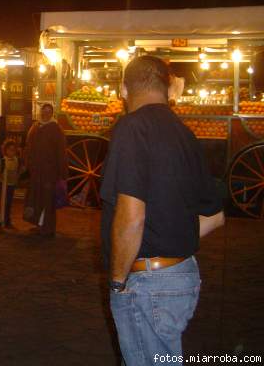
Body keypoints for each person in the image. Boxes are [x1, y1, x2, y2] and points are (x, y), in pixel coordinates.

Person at [100, 55, 225, 364]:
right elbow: (216, 214)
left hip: (147, 282)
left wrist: (118, 282)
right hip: (182, 276)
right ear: (168, 89)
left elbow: (131, 215)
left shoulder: (132, 128)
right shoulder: (185, 134)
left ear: (124, 90)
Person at [23, 102, 68, 237]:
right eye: (44, 111)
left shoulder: (56, 129)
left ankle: (47, 227)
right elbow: (28, 147)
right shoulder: (35, 127)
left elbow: (61, 151)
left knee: (48, 199)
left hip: (50, 172)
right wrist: (28, 164)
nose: (46, 113)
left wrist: (62, 172)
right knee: (36, 197)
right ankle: (38, 224)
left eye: (49, 111)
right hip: (37, 171)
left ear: (52, 113)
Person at [0, 139, 21, 230]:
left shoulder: (17, 161)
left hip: (11, 185)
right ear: (5, 150)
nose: (11, 152)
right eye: (9, 150)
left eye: (13, 150)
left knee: (9, 203)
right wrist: (2, 180)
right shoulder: (2, 162)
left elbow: (19, 171)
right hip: (3, 186)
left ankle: (7, 221)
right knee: (3, 204)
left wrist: (17, 176)